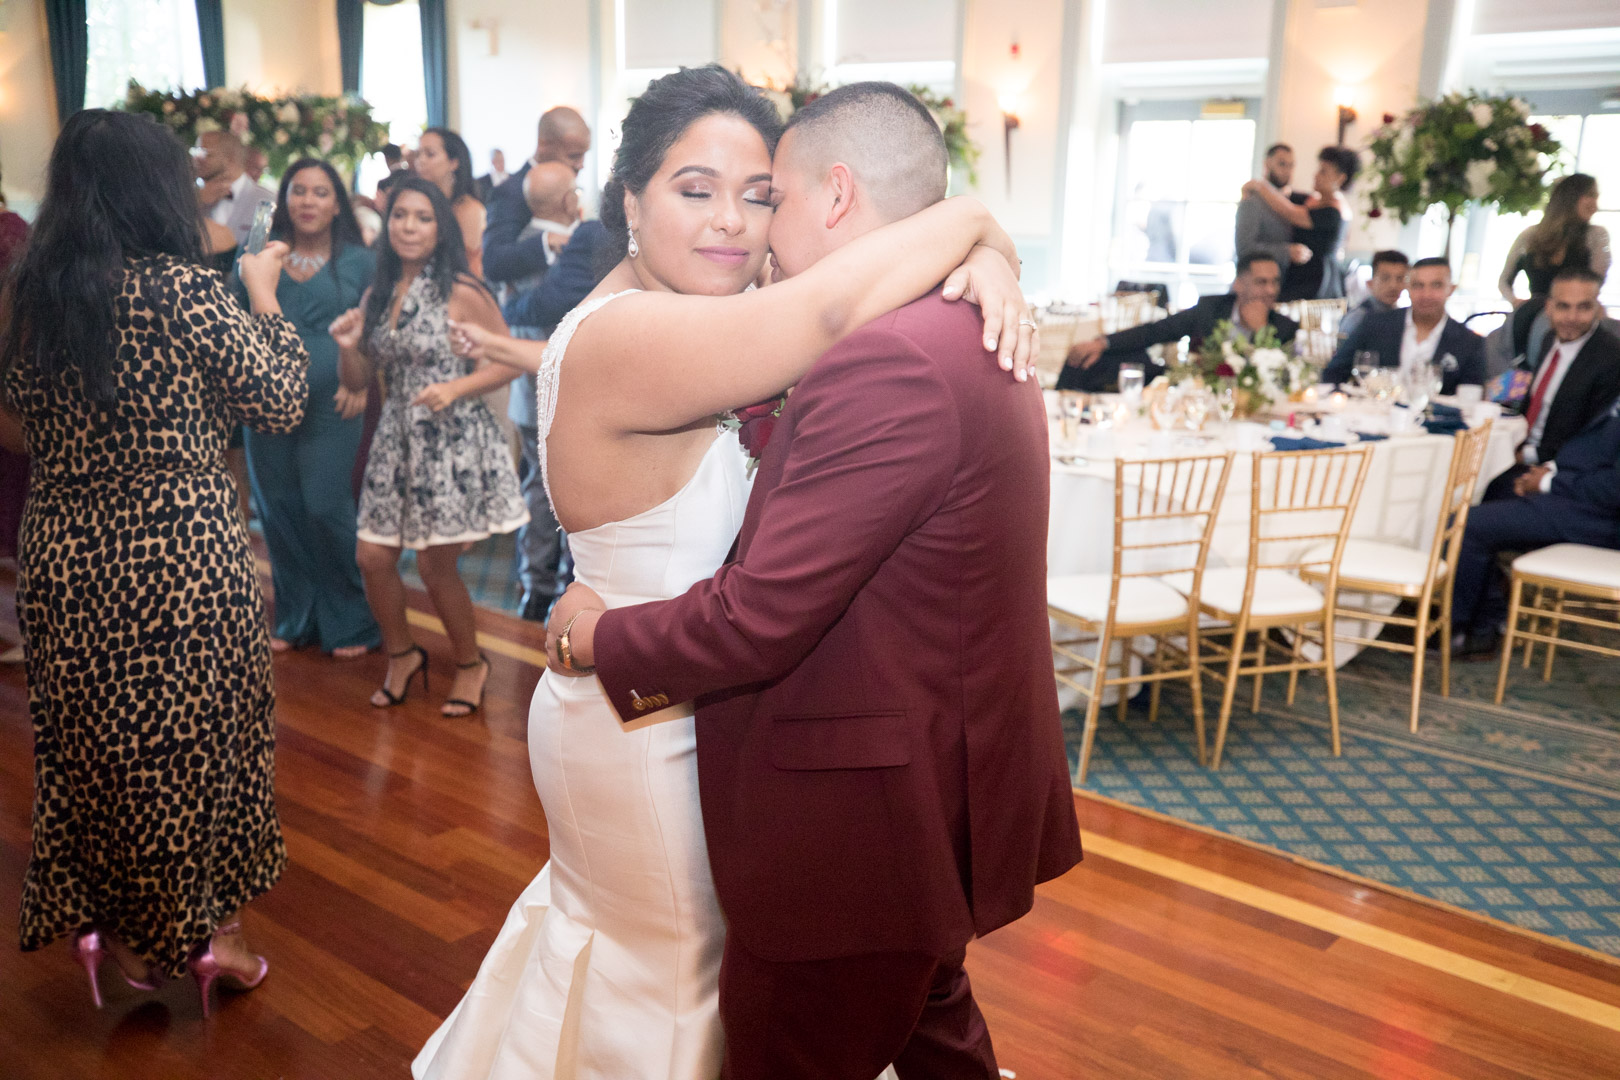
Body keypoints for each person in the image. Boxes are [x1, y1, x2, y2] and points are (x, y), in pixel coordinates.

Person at [410, 68, 1039, 1080]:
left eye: (758, 195)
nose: (733, 224)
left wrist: (990, 260)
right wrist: (973, 222)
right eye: (694, 190)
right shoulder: (627, 333)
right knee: (671, 992)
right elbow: (834, 315)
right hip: (638, 722)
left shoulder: (732, 309)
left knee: (740, 990)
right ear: (628, 199)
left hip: (713, 710)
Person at [0, 109, 307, 1012]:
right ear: (157, 187)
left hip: (64, 549)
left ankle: (116, 930)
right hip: (178, 552)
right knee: (204, 746)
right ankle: (214, 935)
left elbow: (16, 414)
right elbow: (280, 399)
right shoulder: (182, 289)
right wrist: (263, 293)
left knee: (91, 747)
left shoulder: (33, 296)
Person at [330, 177, 524, 717]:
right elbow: (359, 378)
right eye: (399, 216)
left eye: (422, 217)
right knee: (372, 557)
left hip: (450, 439)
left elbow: (509, 359)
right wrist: (347, 347)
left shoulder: (462, 290)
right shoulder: (377, 293)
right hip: (396, 438)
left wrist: (456, 388)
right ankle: (402, 654)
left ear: (441, 229)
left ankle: (470, 663)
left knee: (437, 567)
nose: (409, 227)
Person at [239, 157, 382, 659]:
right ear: (284, 199)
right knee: (279, 509)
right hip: (264, 401)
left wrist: (363, 380)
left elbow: (376, 330)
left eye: (321, 192)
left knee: (325, 506)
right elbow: (234, 323)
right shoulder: (259, 254)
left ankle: (352, 619)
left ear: (338, 204)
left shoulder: (361, 261)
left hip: (334, 402)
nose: (308, 201)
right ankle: (296, 617)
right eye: (298, 190)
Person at [1449, 397, 1620, 659]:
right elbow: (1597, 449)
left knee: (1465, 524)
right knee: (1493, 487)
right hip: (1584, 496)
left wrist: (1549, 483)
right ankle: (1489, 618)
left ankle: (1459, 632)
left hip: (1602, 518)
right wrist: (1550, 469)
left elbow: (1614, 488)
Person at [503, 208, 605, 624]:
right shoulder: (587, 236)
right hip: (554, 394)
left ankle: (544, 589)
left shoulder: (591, 235)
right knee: (557, 494)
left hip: (568, 393)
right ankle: (551, 589)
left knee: (551, 493)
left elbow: (548, 300)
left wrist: (509, 309)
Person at [1059, 252, 1299, 392]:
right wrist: (1103, 343)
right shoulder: (1212, 309)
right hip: (1194, 393)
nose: (1270, 290)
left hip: (1251, 407)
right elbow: (1156, 331)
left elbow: (1281, 382)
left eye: (1275, 282)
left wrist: (1260, 333)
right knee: (1101, 359)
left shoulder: (1284, 327)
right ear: (1239, 284)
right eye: (1261, 282)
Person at [1482, 267, 1620, 501]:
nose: (1572, 318)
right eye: (1563, 306)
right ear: (1549, 307)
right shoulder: (1549, 340)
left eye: (1584, 307)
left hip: (1560, 471)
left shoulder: (1611, 359)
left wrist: (1525, 457)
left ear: (1597, 309)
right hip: (1518, 449)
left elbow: (1591, 440)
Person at [1323, 256, 1485, 394]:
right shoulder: (1375, 324)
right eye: (1418, 285)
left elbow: (1470, 397)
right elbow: (1333, 373)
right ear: (1407, 288)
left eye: (1436, 285)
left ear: (1451, 289)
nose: (1426, 294)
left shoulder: (1469, 341)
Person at [1499, 173, 1612, 357]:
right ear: (1571, 197)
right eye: (1590, 196)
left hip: (1573, 320)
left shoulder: (1595, 235)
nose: (1595, 205)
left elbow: (1597, 280)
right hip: (1536, 316)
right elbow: (1504, 281)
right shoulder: (1530, 236)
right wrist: (1516, 302)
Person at [482, 106, 593, 288]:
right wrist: (547, 241)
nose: (581, 165)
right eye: (574, 156)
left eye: (584, 155)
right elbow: (494, 262)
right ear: (543, 145)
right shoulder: (511, 191)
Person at [1243, 145, 1358, 301]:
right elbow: (1287, 195)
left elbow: (1290, 212)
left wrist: (1260, 186)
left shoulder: (1333, 212)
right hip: (1299, 278)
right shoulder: (1312, 200)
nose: (1316, 175)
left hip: (1316, 282)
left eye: (1323, 171)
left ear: (1340, 178)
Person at [415, 126, 487, 279]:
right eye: (418, 154)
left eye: (430, 154)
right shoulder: (419, 204)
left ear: (453, 162)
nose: (421, 161)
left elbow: (463, 266)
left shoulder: (469, 209)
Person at [195, 129, 277, 247]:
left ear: (230, 158)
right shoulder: (190, 195)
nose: (196, 159)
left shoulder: (268, 200)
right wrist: (196, 202)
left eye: (204, 153)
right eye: (195, 152)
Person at [1234, 142, 1304, 275]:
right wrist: (1287, 252)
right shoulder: (1252, 201)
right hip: (1259, 279)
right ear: (1267, 163)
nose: (1287, 171)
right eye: (1282, 164)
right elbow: (1245, 248)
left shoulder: (1296, 200)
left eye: (1291, 165)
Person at [1339, 249, 1408, 340]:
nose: (1393, 286)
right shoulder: (1358, 319)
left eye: (1400, 279)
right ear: (1370, 283)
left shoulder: (1404, 317)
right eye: (1385, 278)